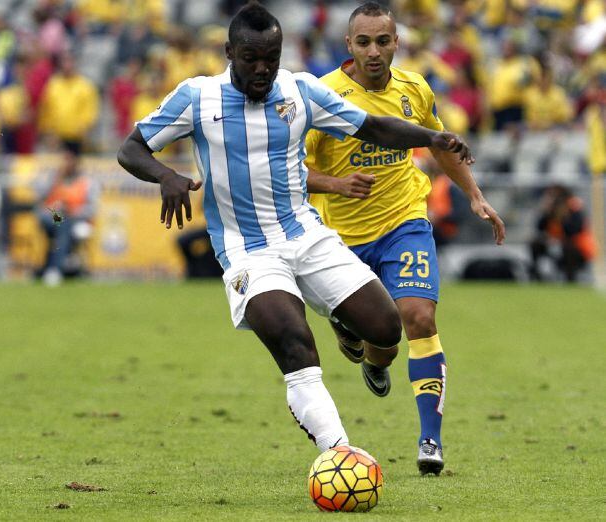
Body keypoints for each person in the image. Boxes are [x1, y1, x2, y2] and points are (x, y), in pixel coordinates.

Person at [118, 2, 475, 456]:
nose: (263, 69)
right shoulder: (197, 97)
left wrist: (430, 137)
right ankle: (341, 455)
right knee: (295, 343)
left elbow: (372, 128)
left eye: (272, 57)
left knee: (386, 328)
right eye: (251, 59)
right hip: (248, 252)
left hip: (306, 235)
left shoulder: (300, 90)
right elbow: (131, 149)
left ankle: (344, 323)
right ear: (229, 52)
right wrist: (165, 176)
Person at [304, 2, 506, 474]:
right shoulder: (322, 97)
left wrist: (475, 196)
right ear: (348, 45)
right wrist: (336, 184)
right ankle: (364, 348)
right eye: (364, 42)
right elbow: (291, 168)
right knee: (382, 344)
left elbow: (441, 144)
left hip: (403, 223)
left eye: (383, 41)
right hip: (340, 238)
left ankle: (430, 443)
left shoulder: (415, 89)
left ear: (397, 42)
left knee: (418, 316)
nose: (374, 51)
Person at [38, 148, 97, 286]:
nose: (66, 164)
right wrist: (55, 180)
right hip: (52, 215)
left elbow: (92, 208)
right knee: (62, 222)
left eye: (70, 160)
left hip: (77, 219)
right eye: (65, 160)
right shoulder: (53, 178)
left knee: (64, 225)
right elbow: (41, 200)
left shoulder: (86, 182)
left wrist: (73, 210)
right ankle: (56, 269)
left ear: (77, 163)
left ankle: (55, 268)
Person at [529, 184, 596, 282]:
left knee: (568, 249)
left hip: (577, 248)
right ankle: (536, 275)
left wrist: (563, 219)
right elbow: (540, 228)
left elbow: (574, 231)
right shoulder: (550, 211)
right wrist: (546, 212)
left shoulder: (574, 210)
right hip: (556, 245)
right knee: (535, 244)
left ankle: (570, 278)